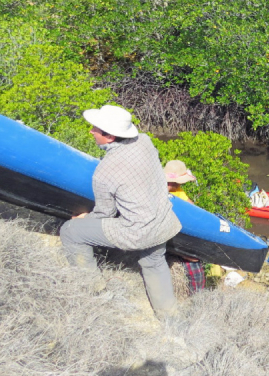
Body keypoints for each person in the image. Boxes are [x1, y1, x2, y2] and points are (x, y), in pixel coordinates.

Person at [59, 105, 182, 319]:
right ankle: (170, 318)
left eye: (95, 128)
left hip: (137, 232)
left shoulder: (104, 171)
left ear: (108, 137)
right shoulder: (144, 140)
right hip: (164, 220)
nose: (91, 131)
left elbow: (105, 213)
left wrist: (84, 220)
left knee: (70, 231)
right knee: (154, 261)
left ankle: (94, 292)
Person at [163, 160, 206, 293]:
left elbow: (191, 206)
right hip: (162, 234)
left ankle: (197, 295)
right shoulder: (158, 193)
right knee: (192, 260)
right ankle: (194, 295)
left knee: (195, 258)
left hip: (176, 231)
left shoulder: (177, 190)